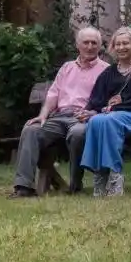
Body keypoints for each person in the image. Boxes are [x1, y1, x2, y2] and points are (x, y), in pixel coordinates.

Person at [9, 26, 109, 198]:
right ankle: (24, 187)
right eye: (86, 42)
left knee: (78, 134)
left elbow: (107, 101)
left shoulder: (106, 70)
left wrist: (92, 114)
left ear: (100, 46)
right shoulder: (67, 67)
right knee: (30, 130)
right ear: (78, 45)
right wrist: (43, 115)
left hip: (83, 118)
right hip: (58, 117)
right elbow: (53, 94)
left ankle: (75, 185)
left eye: (94, 43)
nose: (90, 46)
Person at [78, 26, 131, 197]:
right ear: (113, 47)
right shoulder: (109, 72)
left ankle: (115, 176)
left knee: (108, 120)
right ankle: (100, 175)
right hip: (113, 115)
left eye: (125, 43)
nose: (121, 47)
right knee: (95, 121)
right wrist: (90, 111)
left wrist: (114, 108)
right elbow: (97, 98)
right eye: (117, 44)